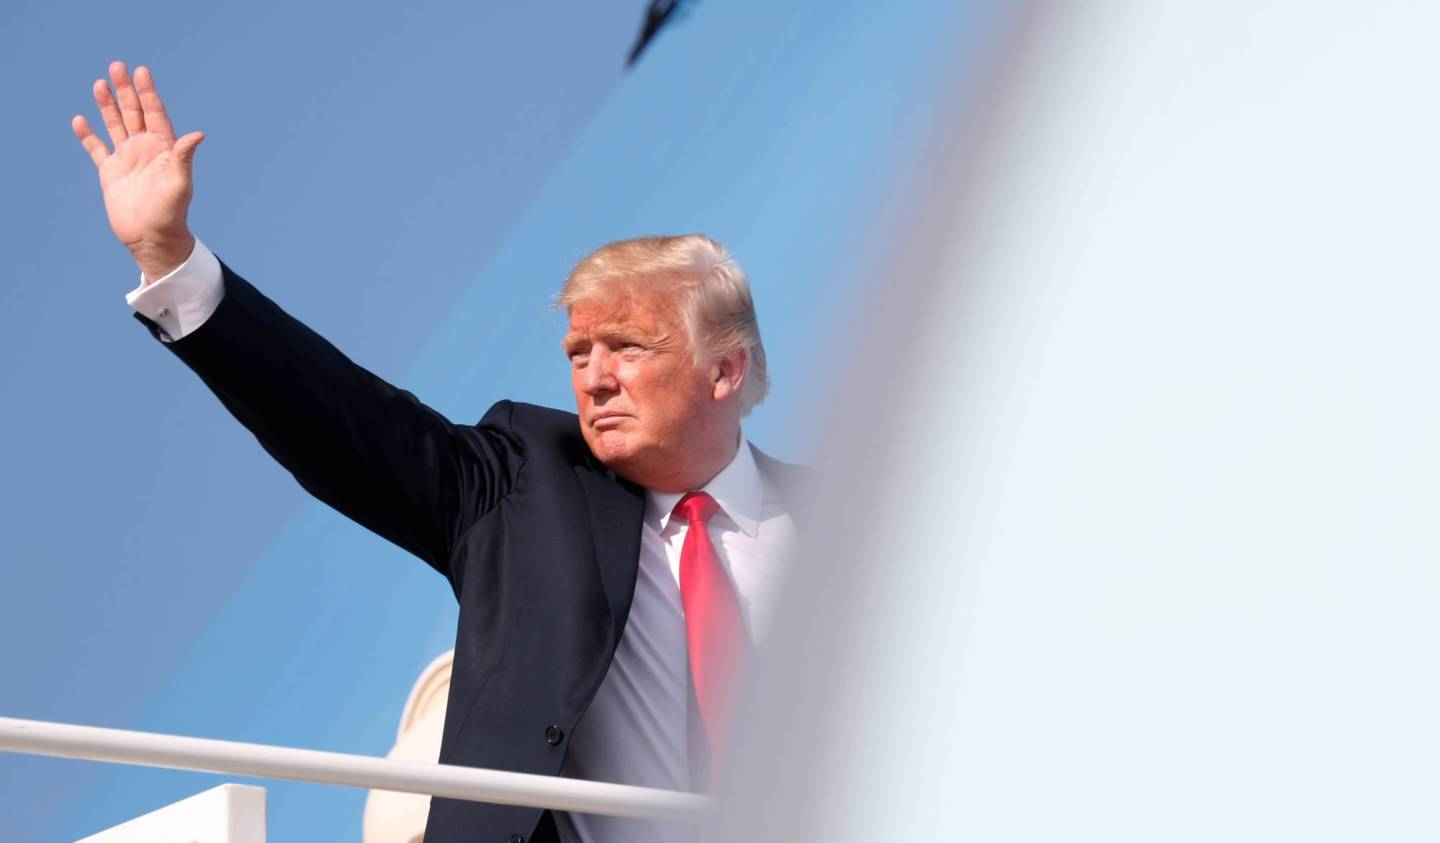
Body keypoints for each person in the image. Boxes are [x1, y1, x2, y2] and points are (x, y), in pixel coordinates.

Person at [71, 61, 805, 843]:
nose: (592, 379)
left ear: (723, 368)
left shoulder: (862, 523)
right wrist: (172, 259)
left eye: (624, 347)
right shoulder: (520, 486)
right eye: (577, 350)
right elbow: (340, 418)